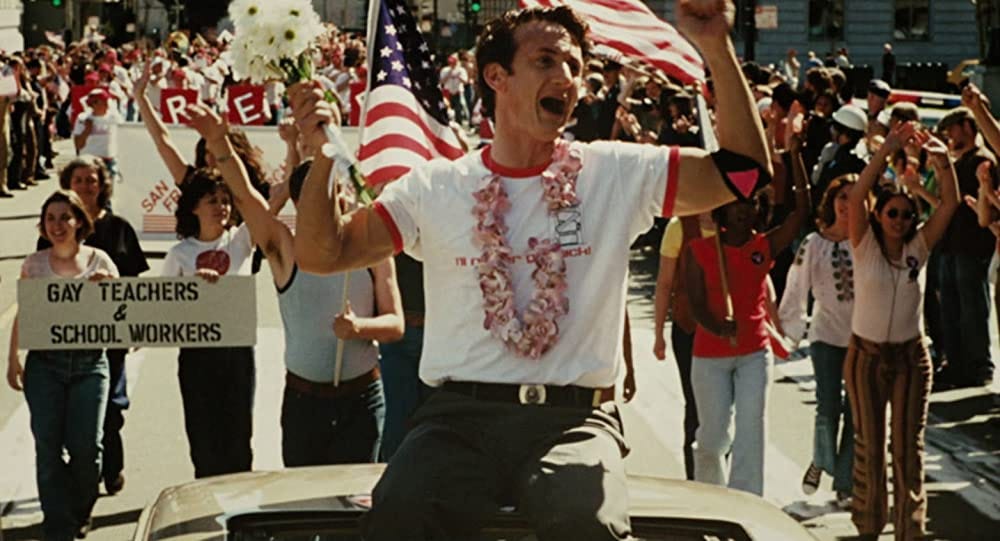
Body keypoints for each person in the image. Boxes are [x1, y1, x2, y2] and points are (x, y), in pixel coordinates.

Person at [288, 2, 772, 538]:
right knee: (398, 515)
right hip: (455, 421)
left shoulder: (615, 172)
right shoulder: (435, 187)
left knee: (586, 524)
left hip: (574, 423)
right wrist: (324, 152)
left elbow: (745, 176)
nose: (565, 77)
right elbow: (322, 254)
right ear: (497, 76)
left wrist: (716, 47)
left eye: (574, 66)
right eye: (545, 61)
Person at [184, 103, 403, 466]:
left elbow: (394, 324)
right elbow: (246, 198)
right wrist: (218, 143)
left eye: (337, 193)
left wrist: (359, 328)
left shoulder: (371, 250)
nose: (334, 203)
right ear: (301, 203)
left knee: (353, 504)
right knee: (305, 503)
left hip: (362, 398)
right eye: (319, 198)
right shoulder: (284, 249)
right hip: (305, 403)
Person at [844, 122, 959, 540]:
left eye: (907, 215)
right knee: (870, 447)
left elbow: (948, 205)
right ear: (879, 215)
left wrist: (942, 161)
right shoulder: (864, 244)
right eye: (892, 213)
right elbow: (857, 196)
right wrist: (887, 148)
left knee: (907, 450)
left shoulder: (918, 248)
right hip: (866, 355)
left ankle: (910, 531)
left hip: (911, 356)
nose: (899, 220)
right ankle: (869, 527)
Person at [683, 130, 810, 496]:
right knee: (712, 436)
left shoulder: (764, 246)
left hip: (755, 352)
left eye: (750, 204)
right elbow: (695, 303)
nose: (742, 211)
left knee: (751, 427)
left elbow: (801, 211)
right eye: (736, 204)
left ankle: (746, 500)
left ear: (759, 208)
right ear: (723, 209)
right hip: (709, 356)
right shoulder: (699, 250)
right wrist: (716, 326)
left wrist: (796, 157)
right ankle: (710, 498)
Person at [7, 190, 119, 540]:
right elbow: (26, 312)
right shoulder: (34, 264)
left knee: (88, 447)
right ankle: (58, 525)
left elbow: (123, 313)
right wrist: (13, 359)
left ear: (79, 222)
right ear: (43, 225)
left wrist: (111, 289)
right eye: (51, 218)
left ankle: (79, 507)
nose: (57, 225)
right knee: (48, 445)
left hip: (89, 364)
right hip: (45, 366)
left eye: (65, 218)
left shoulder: (100, 260)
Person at [36, 157, 149, 495]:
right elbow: (39, 288)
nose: (86, 186)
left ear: (102, 185)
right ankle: (82, 483)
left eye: (92, 180)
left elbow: (135, 285)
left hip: (110, 336)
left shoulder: (119, 228)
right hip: (67, 339)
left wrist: (132, 324)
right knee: (74, 419)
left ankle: (111, 468)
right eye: (79, 180)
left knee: (111, 409)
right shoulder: (53, 232)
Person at [161, 170, 256, 478]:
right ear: (193, 208)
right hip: (197, 355)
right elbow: (162, 308)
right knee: (204, 441)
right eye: (212, 200)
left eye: (225, 200)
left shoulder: (241, 239)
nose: (221, 207)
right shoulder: (180, 253)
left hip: (237, 354)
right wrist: (195, 295)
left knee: (238, 439)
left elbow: (272, 202)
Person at [778, 173, 857, 506]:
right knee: (828, 406)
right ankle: (821, 460)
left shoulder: (868, 241)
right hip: (825, 335)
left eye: (855, 198)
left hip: (862, 337)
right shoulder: (815, 243)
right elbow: (796, 285)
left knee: (857, 411)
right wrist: (790, 327)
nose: (847, 205)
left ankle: (845, 481)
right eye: (842, 197)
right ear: (832, 202)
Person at [934, 107, 997, 388]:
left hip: (971, 245)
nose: (949, 135)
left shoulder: (980, 161)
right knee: (951, 307)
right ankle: (956, 363)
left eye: (953, 129)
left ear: (968, 128)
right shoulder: (961, 161)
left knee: (971, 307)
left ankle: (977, 364)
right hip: (952, 243)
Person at [652, 213, 715, 480]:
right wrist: (658, 334)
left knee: (723, 409)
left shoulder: (734, 220)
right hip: (688, 328)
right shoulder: (680, 227)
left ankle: (718, 471)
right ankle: (695, 478)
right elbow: (665, 283)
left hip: (726, 331)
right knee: (696, 404)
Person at [72, 89, 124, 182]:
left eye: (105, 101)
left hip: (108, 161)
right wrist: (86, 131)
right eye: (94, 102)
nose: (106, 104)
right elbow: (78, 145)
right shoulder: (82, 118)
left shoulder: (114, 119)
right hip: (88, 162)